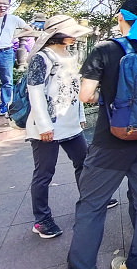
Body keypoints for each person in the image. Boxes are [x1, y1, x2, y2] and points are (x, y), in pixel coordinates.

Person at [46, 0, 137, 269]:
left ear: (121, 18)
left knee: (91, 207)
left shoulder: (105, 49)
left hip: (110, 143)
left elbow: (87, 96)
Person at [25, 15, 92, 239]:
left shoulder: (70, 56)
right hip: (48, 127)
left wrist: (80, 114)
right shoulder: (42, 58)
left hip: (70, 123)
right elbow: (35, 92)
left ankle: (89, 201)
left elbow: (75, 89)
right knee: (44, 173)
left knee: (84, 162)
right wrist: (44, 125)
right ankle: (41, 219)